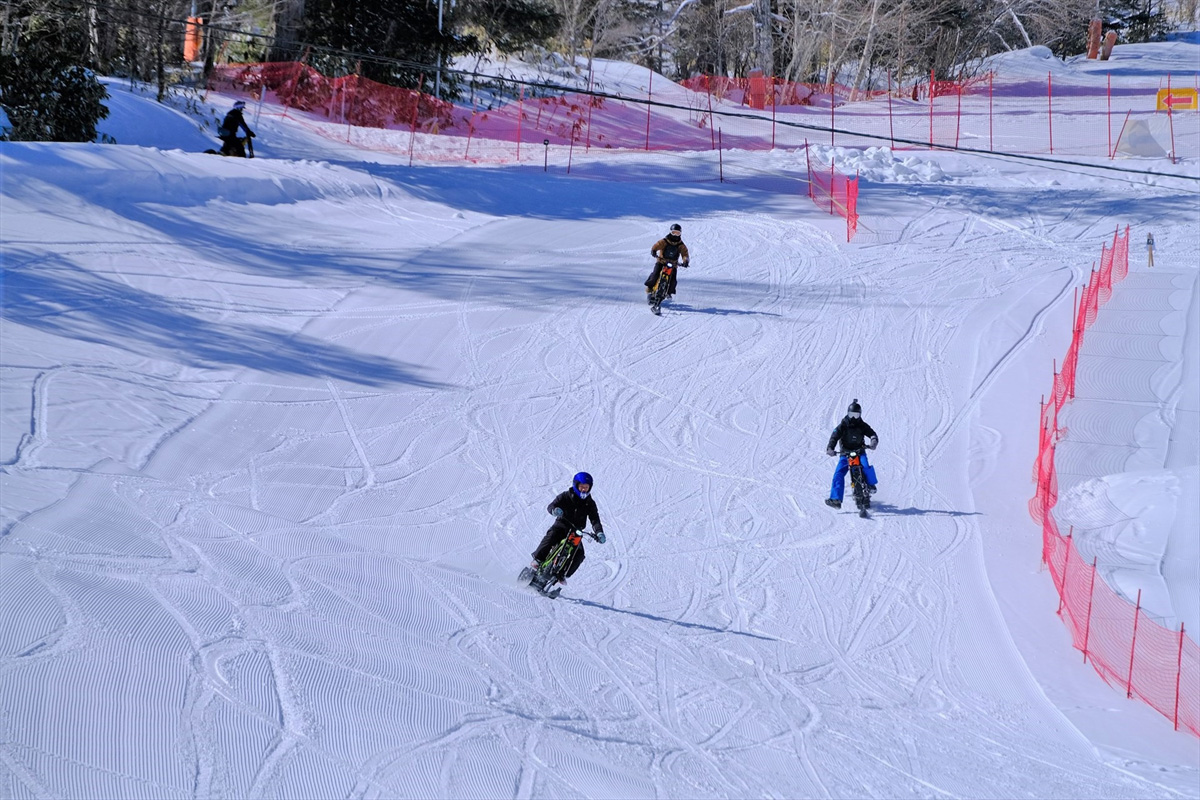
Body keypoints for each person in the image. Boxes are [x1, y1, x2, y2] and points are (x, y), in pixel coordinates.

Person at [528, 472, 605, 586]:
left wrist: (599, 533)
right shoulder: (566, 496)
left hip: (576, 531)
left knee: (579, 554)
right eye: (582, 487)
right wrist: (554, 510)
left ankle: (562, 574)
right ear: (576, 485)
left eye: (586, 487)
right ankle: (538, 559)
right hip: (562, 525)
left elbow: (595, 519)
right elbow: (551, 505)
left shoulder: (590, 503)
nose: (584, 490)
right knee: (552, 536)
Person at [825, 399, 879, 508]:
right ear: (847, 413)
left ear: (860, 415)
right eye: (851, 414)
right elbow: (834, 437)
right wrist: (830, 448)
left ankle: (871, 484)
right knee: (838, 473)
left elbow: (872, 433)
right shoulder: (843, 425)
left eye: (856, 415)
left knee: (865, 466)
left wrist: (873, 441)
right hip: (845, 453)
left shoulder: (862, 425)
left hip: (859, 451)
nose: (854, 418)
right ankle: (836, 499)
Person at [644, 223, 690, 301]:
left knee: (673, 280)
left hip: (673, 264)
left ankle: (669, 292)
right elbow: (657, 245)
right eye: (674, 233)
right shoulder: (665, 241)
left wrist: (685, 261)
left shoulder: (681, 245)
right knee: (655, 274)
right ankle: (650, 288)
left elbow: (685, 253)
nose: (675, 235)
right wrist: (654, 250)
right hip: (662, 261)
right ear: (670, 232)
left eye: (677, 233)